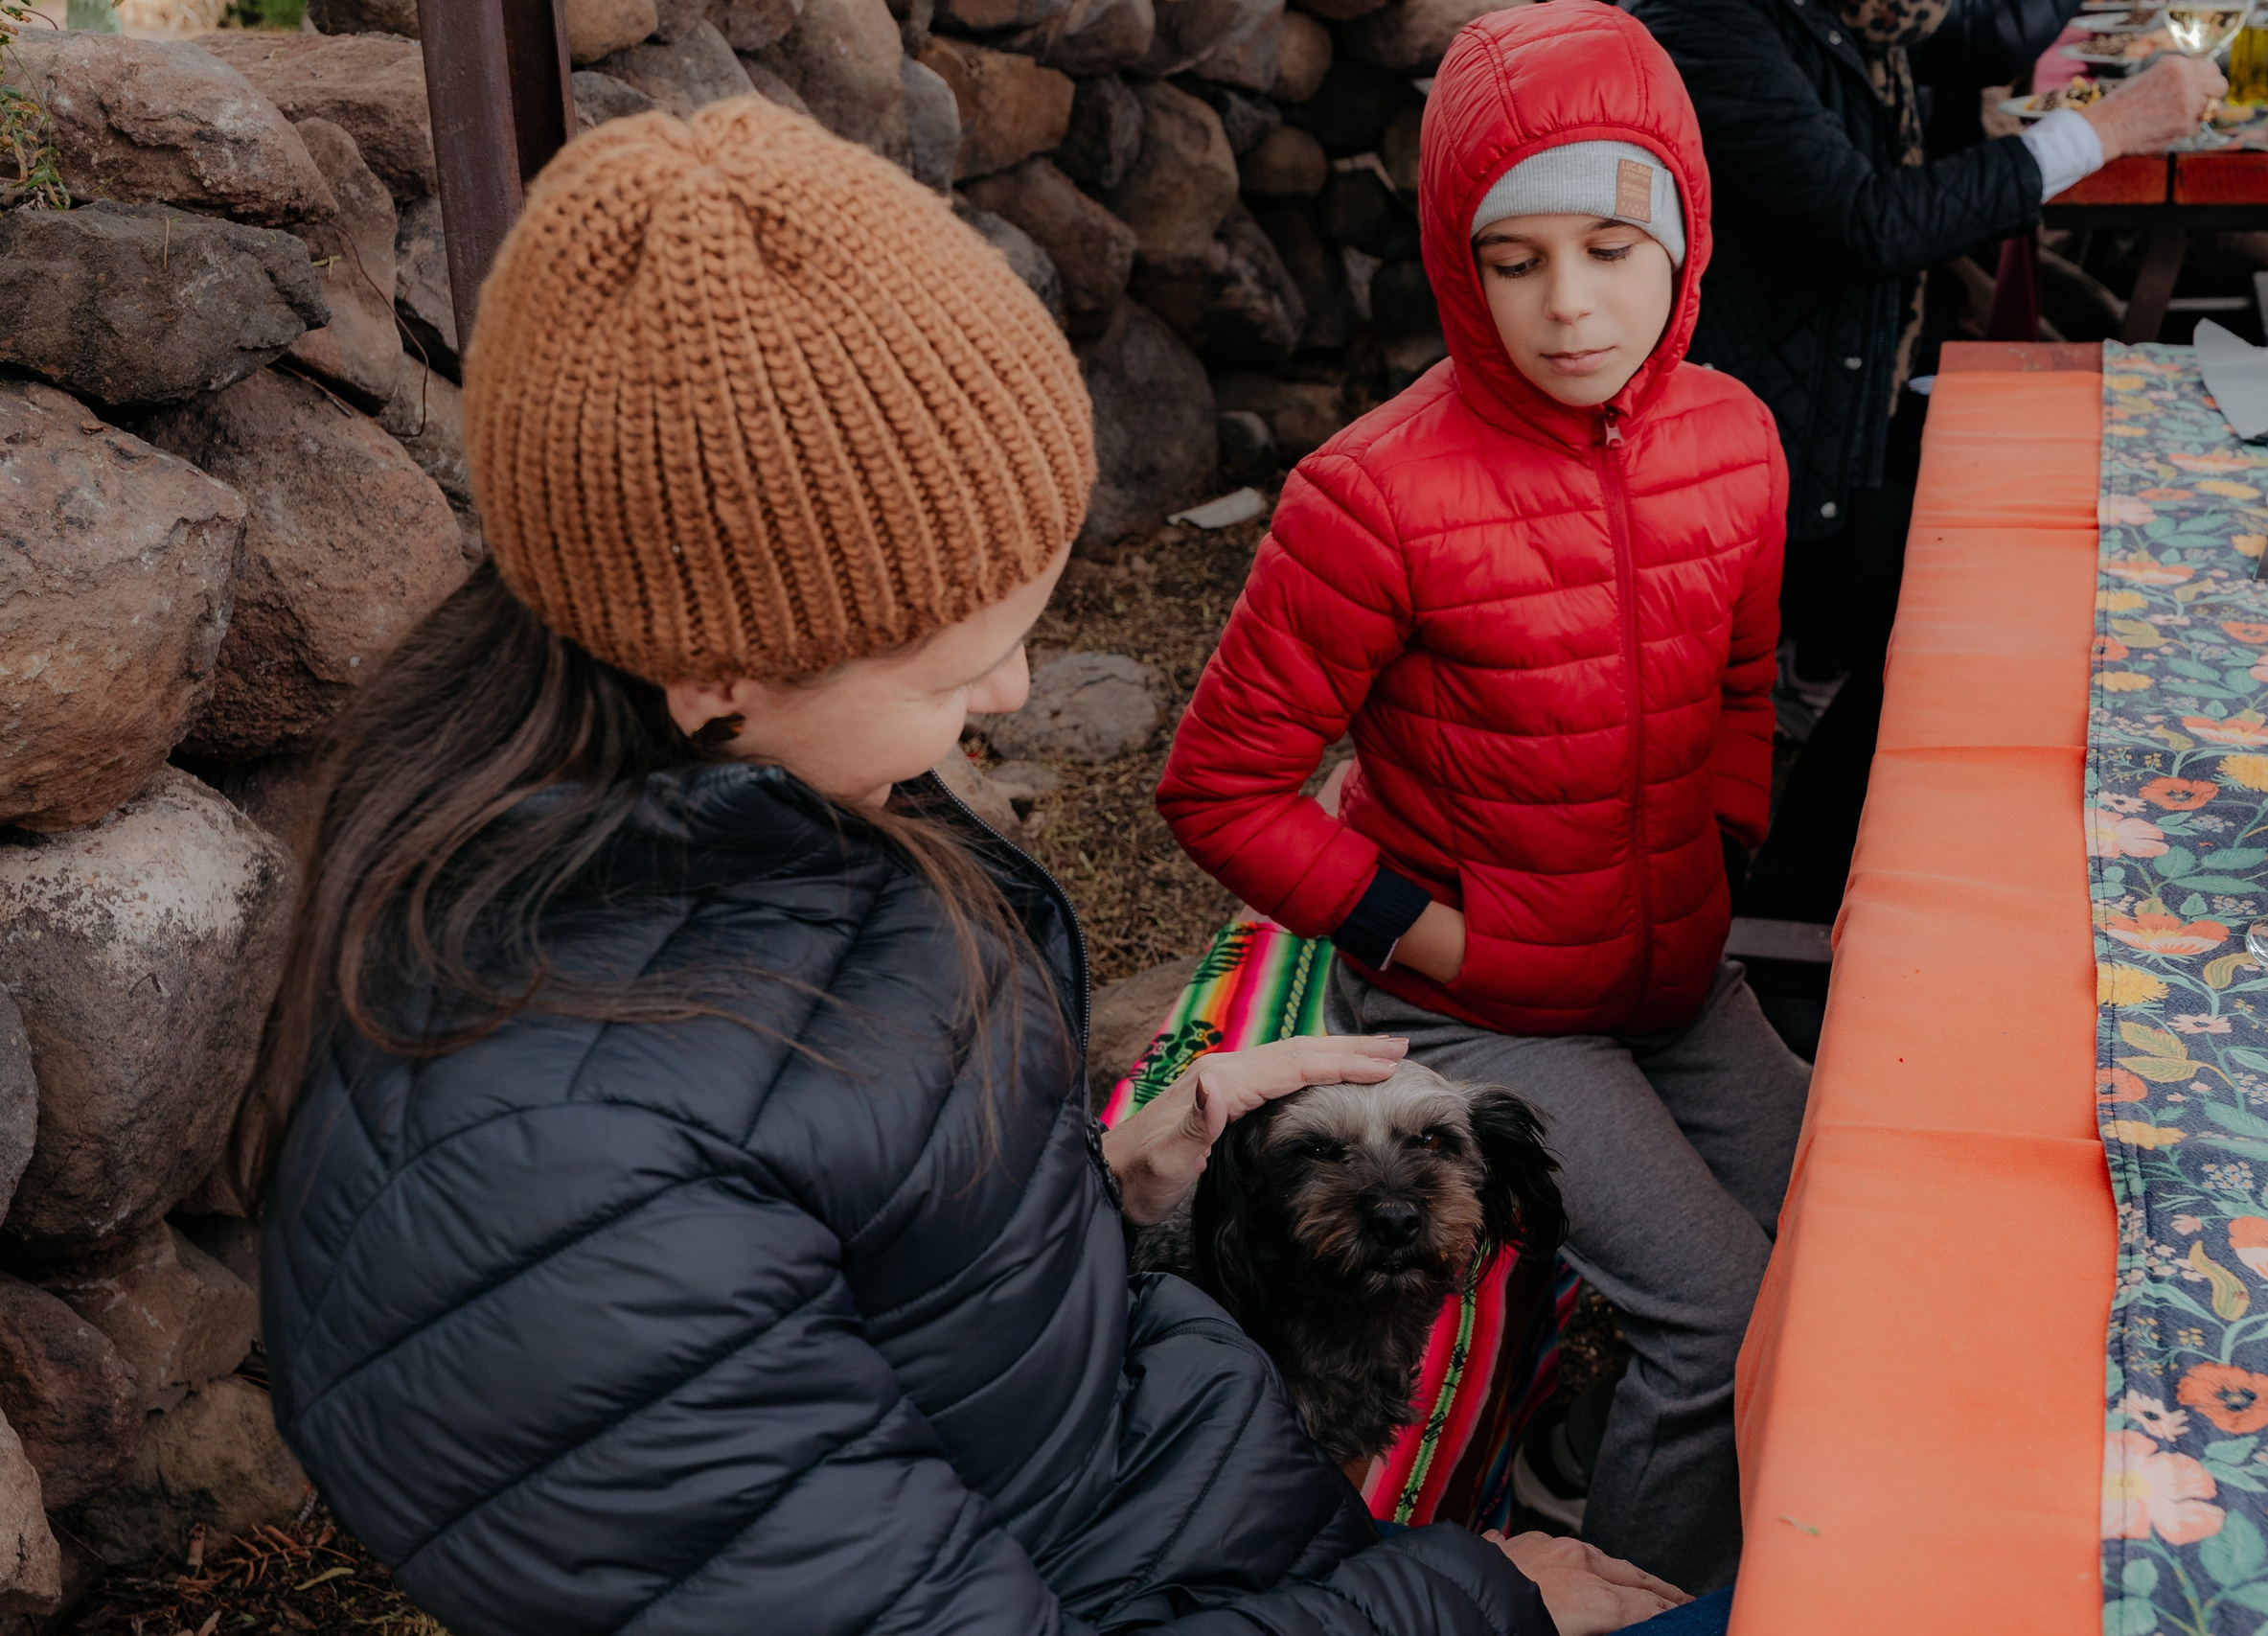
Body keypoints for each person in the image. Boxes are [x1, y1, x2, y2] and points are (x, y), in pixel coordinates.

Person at [247, 97, 1689, 1636]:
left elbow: (897, 1286)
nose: (1007, 698)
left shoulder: (801, 813)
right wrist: (1467, 1598)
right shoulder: (560, 1188)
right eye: (962, 660)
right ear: (717, 662)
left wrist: (1096, 1190)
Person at [1157, 1, 1808, 1595]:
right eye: (1514, 261)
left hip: (1677, 973)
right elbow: (1221, 785)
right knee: (1725, 1317)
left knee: (1868, 1226)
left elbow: (1742, 683)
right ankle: (1633, 1599)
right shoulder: (1370, 495)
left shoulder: (1738, 436)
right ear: (1458, 260)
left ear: (1683, 232)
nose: (1571, 305)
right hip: (1495, 1003)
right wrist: (1431, 939)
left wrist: (1722, 850)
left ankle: (1637, 1447)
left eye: (1608, 243)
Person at [1624, 0, 2226, 922]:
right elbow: (1868, 220)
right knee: (1954, 631)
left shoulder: (1861, 11)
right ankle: (1793, 908)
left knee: (2026, 594)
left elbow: (1986, 34)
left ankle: (1870, 876)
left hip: (1848, 412)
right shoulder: (1705, 21)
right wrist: (2107, 126)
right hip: (1753, 475)